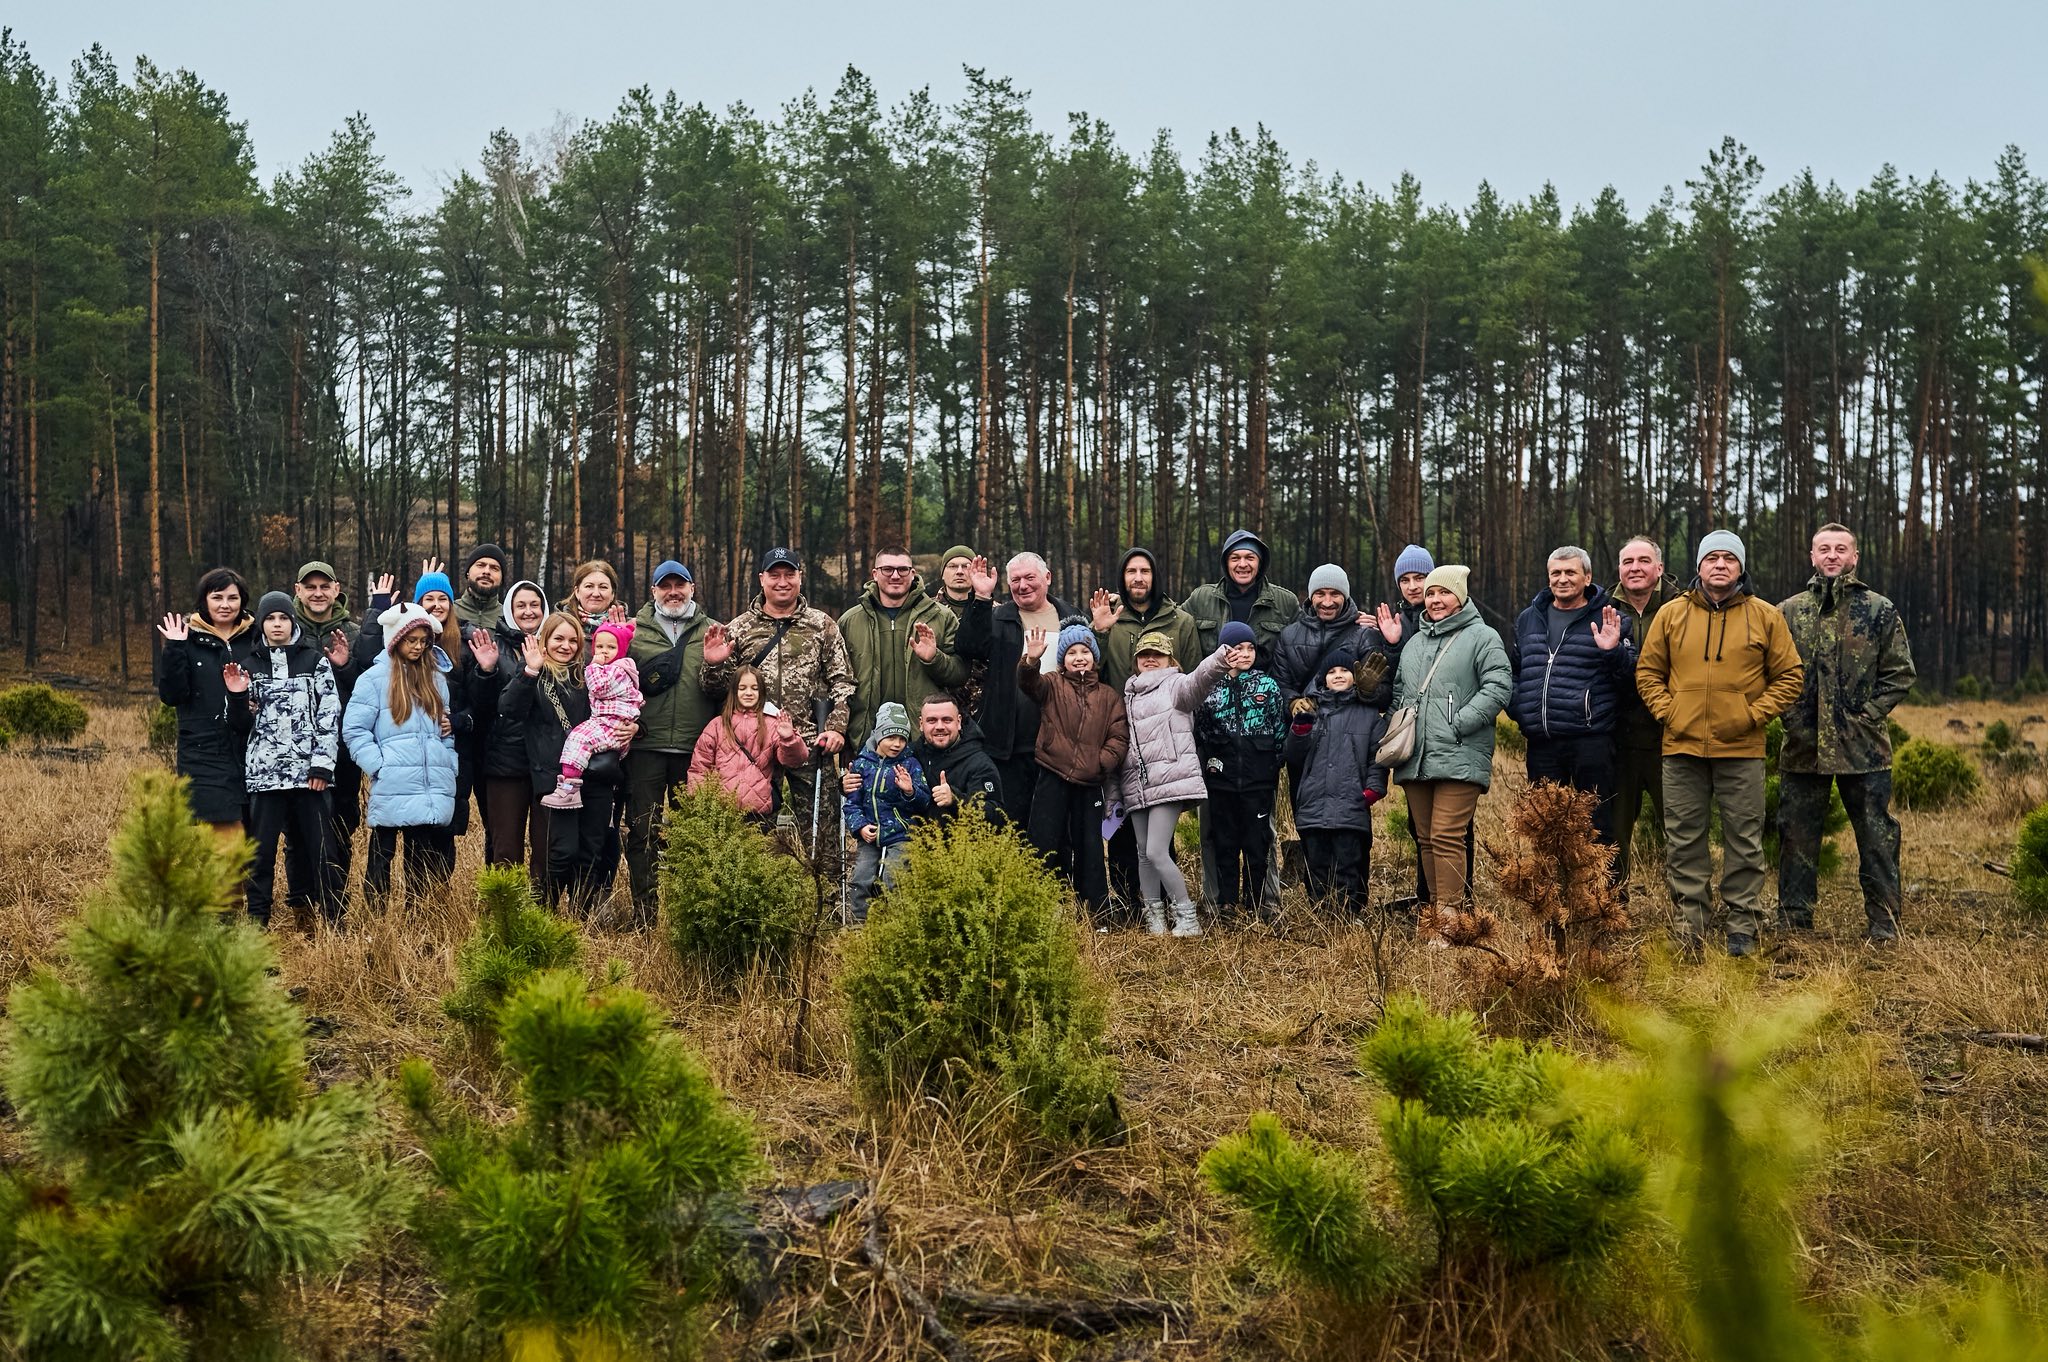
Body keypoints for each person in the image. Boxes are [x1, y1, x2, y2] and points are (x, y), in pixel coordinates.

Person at [1634, 531, 1805, 958]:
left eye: (1730, 559)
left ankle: (1742, 926)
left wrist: (1751, 715)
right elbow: (1648, 673)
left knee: (1743, 840)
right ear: (1699, 566)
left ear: (1741, 568)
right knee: (1684, 839)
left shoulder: (1765, 616)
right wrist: (1669, 713)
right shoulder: (1671, 615)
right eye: (1712, 558)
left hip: (1741, 750)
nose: (1720, 565)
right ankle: (1690, 923)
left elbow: (1790, 677)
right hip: (1681, 748)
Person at [1776, 524, 1917, 943]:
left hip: (1864, 750)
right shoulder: (1787, 611)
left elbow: (1900, 673)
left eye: (1841, 549)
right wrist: (1791, 716)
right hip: (1803, 748)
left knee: (1876, 837)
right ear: (1812, 556)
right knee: (1796, 836)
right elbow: (1769, 674)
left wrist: (1868, 716)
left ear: (1855, 557)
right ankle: (1794, 923)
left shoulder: (1878, 610)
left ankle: (1884, 924)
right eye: (1824, 549)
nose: (1832, 555)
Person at [700, 548, 856, 865]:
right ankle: (761, 904)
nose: (782, 582)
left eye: (789, 574)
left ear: (800, 577)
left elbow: (843, 681)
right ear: (762, 579)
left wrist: (837, 727)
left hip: (812, 743)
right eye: (774, 575)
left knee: (821, 836)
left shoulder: (822, 626)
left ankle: (824, 904)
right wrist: (714, 665)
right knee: (752, 837)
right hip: (752, 747)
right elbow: (715, 690)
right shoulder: (739, 628)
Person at [1389, 565, 1513, 929]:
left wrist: (1460, 721)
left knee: (1446, 835)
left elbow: (1498, 686)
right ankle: (1434, 915)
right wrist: (1398, 725)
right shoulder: (1414, 643)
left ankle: (1451, 919)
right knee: (1426, 837)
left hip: (1459, 751)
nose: (1435, 600)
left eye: (1443, 592)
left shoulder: (1482, 637)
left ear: (1460, 596)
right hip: (1416, 755)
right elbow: (1400, 690)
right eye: (1430, 594)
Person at [1506, 546, 1634, 851]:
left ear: (1587, 577)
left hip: (1591, 743)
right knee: (1546, 826)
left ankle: (1601, 898)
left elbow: (1629, 680)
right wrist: (1520, 708)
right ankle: (1553, 897)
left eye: (1570, 572)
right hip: (1542, 744)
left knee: (1597, 826)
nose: (1562, 579)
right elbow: (1513, 672)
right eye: (1556, 573)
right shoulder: (1529, 619)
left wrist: (1613, 651)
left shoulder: (1610, 618)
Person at [1369, 543, 1473, 909]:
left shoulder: (1456, 622)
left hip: (1450, 739)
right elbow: (1399, 682)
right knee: (1424, 828)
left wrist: (1459, 720)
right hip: (1417, 739)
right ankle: (1431, 899)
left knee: (1453, 829)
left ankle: (1460, 900)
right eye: (1406, 580)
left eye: (1421, 579)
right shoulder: (1396, 622)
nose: (1414, 587)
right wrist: (1390, 642)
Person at [499, 611, 623, 915]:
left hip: (595, 776)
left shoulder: (591, 675)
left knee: (590, 849)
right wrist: (529, 671)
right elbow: (509, 709)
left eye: (572, 640)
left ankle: (581, 917)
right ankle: (547, 915)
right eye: (558, 639)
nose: (565, 646)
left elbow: (623, 706)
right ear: (545, 641)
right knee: (559, 851)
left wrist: (635, 728)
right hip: (556, 781)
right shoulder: (533, 674)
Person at [230, 591, 340, 929]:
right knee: (261, 854)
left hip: (310, 776)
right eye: (270, 619)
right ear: (262, 623)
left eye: (283, 618)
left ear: (292, 621)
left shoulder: (313, 661)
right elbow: (240, 724)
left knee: (323, 852)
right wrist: (237, 699)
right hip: (265, 778)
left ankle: (335, 922)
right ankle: (257, 923)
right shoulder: (249, 666)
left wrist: (322, 764)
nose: (277, 625)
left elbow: (330, 712)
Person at [342, 602, 459, 907]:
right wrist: (378, 766)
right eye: (412, 640)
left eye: (423, 641)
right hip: (392, 781)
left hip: (426, 784)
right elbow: (355, 730)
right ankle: (377, 916)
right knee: (382, 852)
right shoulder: (373, 680)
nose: (419, 647)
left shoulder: (436, 680)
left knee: (419, 855)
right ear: (395, 640)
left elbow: (446, 729)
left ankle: (414, 917)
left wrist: (449, 763)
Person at [1116, 631, 1229, 936]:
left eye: (1157, 654)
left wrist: (1219, 660)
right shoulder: (1129, 693)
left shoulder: (1176, 685)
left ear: (1170, 659)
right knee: (1142, 852)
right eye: (1144, 654)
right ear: (1136, 661)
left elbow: (1199, 681)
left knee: (1155, 851)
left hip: (1169, 779)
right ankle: (1155, 917)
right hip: (1136, 784)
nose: (1150, 659)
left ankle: (1187, 915)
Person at [954, 552, 1078, 826]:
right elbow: (967, 647)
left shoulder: (1070, 616)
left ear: (1047, 578)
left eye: (1029, 578)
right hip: (1010, 743)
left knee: (1056, 828)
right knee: (1011, 824)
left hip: (1062, 740)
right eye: (1015, 580)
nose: (1022, 586)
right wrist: (982, 598)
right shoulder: (998, 616)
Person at [624, 559, 717, 924]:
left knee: (691, 835)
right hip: (646, 747)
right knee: (643, 830)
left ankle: (685, 914)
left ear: (693, 589)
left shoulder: (713, 631)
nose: (674, 592)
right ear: (654, 592)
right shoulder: (634, 631)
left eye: (681, 585)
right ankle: (645, 913)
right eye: (666, 586)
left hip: (695, 751)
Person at [1016, 622, 1128, 913]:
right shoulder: (1052, 683)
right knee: (1043, 840)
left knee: (1089, 846)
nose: (1079, 657)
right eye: (1072, 652)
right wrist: (1031, 661)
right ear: (1062, 659)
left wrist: (1101, 763)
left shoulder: (1108, 696)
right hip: (1052, 773)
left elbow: (1119, 736)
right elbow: (1029, 683)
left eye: (1085, 651)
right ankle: (1037, 907)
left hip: (1089, 781)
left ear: (1094, 656)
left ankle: (1096, 911)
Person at [1285, 648, 1392, 918]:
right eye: (1331, 672)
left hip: (1351, 805)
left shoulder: (1368, 715)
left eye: (1344, 671)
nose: (1338, 676)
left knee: (1349, 865)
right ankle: (1322, 917)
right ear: (1323, 680)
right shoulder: (1311, 711)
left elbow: (1376, 759)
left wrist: (1371, 791)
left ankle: (1350, 916)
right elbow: (1294, 757)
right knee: (1317, 866)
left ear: (1356, 677)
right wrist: (1300, 729)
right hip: (1314, 804)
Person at [155, 567, 258, 839]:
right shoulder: (187, 639)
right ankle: (221, 884)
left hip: (254, 747)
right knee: (224, 838)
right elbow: (171, 696)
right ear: (205, 599)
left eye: (232, 598)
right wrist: (175, 648)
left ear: (242, 600)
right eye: (217, 597)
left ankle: (247, 884)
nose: (225, 605)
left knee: (255, 839)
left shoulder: (257, 636)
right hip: (204, 752)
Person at [1196, 621, 1288, 919]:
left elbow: (1278, 729)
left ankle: (1257, 901)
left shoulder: (1267, 686)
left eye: (1250, 648)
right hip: (1221, 782)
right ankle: (1226, 902)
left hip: (1258, 781)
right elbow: (1203, 731)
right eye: (1237, 649)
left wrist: (1271, 764)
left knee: (1257, 842)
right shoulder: (1211, 688)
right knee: (1224, 841)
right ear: (1223, 652)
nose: (1245, 654)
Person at [839, 546, 966, 748]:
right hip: (867, 740)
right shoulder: (850, 621)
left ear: (913, 573)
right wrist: (846, 737)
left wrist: (934, 659)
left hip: (924, 740)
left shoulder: (941, 617)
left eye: (903, 569)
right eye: (887, 569)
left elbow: (960, 673)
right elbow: (839, 682)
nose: (895, 576)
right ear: (875, 574)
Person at [293, 561, 364, 911]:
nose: (318, 593)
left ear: (337, 590)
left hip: (344, 748)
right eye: (311, 587)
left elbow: (367, 688)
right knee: (298, 830)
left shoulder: (353, 631)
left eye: (325, 586)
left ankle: (336, 901)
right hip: (296, 749)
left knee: (340, 825)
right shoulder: (285, 631)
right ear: (298, 590)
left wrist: (345, 666)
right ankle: (303, 904)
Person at [1609, 536, 1679, 885]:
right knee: (1613, 831)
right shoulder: (1604, 608)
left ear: (1659, 568)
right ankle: (1612, 907)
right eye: (1627, 562)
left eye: (1643, 561)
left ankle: (1686, 908)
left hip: (1669, 736)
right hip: (1618, 737)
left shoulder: (1682, 609)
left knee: (1679, 828)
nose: (1635, 568)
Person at [479, 579, 552, 879]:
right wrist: (485, 672)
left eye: (534, 604)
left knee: (546, 847)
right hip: (506, 762)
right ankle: (505, 915)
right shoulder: (494, 646)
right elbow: (485, 705)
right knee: (505, 849)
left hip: (548, 761)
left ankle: (540, 915)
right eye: (520, 605)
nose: (528, 611)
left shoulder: (556, 642)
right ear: (509, 609)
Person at [842, 701, 932, 924]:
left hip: (900, 833)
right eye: (890, 737)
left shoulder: (910, 764)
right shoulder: (862, 764)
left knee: (894, 878)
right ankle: (857, 925)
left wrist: (910, 791)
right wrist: (860, 826)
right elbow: (851, 803)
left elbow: (923, 801)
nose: (897, 744)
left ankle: (895, 925)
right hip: (869, 834)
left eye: (902, 738)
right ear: (877, 735)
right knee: (862, 877)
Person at [688, 663, 810, 821]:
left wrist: (789, 739)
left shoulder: (772, 725)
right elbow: (699, 768)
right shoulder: (717, 726)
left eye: (754, 688)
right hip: (720, 812)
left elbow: (795, 760)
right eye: (742, 688)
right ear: (734, 691)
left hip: (758, 814)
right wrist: (701, 801)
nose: (748, 693)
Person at [541, 621, 641, 811]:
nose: (604, 651)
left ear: (622, 650)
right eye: (600, 646)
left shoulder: (619, 670)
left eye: (611, 647)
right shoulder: (613, 668)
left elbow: (597, 687)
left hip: (611, 725)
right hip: (609, 723)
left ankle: (569, 788)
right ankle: (569, 787)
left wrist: (593, 665)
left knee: (578, 739)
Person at [1182, 528, 1299, 667]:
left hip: (1267, 686)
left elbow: (1305, 644)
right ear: (1226, 564)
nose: (1242, 564)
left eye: (1250, 558)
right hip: (1211, 685)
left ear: (1260, 563)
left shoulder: (1285, 602)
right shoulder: (1201, 598)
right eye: (1235, 558)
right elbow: (1175, 627)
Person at [1271, 563, 1372, 705]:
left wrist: (1368, 692)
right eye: (1320, 594)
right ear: (1311, 597)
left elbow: (1384, 692)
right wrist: (1292, 704)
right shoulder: (1288, 636)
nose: (1327, 602)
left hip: (1350, 725)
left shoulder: (1364, 634)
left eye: (1335, 594)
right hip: (1305, 725)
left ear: (1345, 596)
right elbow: (1279, 686)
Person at [907, 692, 1003, 825]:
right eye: (932, 720)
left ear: (958, 722)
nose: (939, 726)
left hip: (960, 843)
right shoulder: (909, 754)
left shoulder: (979, 763)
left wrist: (956, 800)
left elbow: (996, 815)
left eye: (947, 720)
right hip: (907, 841)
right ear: (921, 724)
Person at [928, 545, 988, 714]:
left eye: (966, 566)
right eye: (953, 566)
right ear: (942, 573)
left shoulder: (993, 611)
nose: (960, 572)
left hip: (984, 707)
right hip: (939, 708)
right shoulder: (927, 611)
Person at [452, 542, 507, 631]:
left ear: (502, 579)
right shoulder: (449, 612)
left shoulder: (509, 618)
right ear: (468, 573)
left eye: (494, 568)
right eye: (480, 565)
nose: (486, 571)